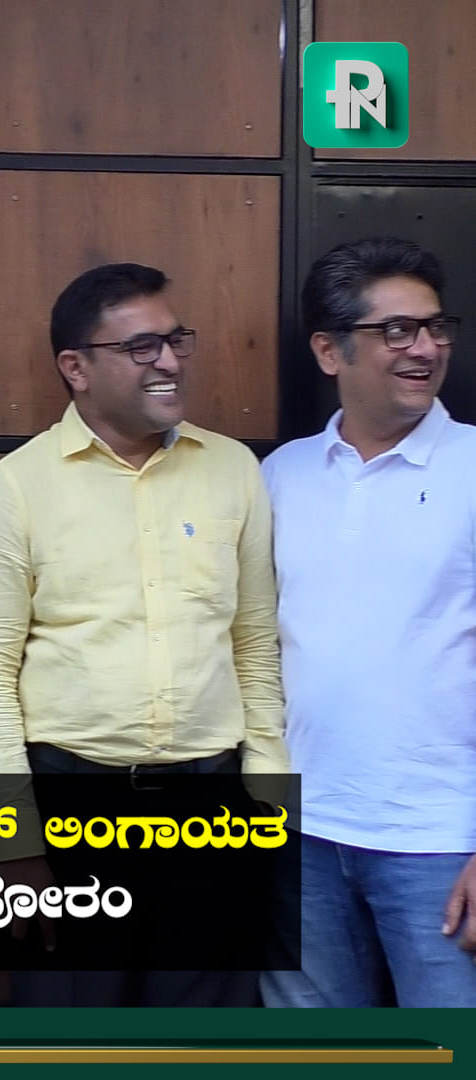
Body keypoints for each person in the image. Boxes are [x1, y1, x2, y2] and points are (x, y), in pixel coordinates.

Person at [0, 262, 288, 1006]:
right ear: (76, 368)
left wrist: (268, 796)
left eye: (175, 340)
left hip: (214, 812)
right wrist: (13, 842)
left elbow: (255, 644)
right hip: (71, 813)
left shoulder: (233, 470)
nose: (169, 361)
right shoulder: (19, 485)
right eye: (142, 347)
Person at [260, 236, 476, 1008]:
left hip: (440, 842)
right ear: (329, 351)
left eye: (436, 326)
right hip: (296, 835)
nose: (426, 347)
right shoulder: (279, 476)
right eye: (397, 330)